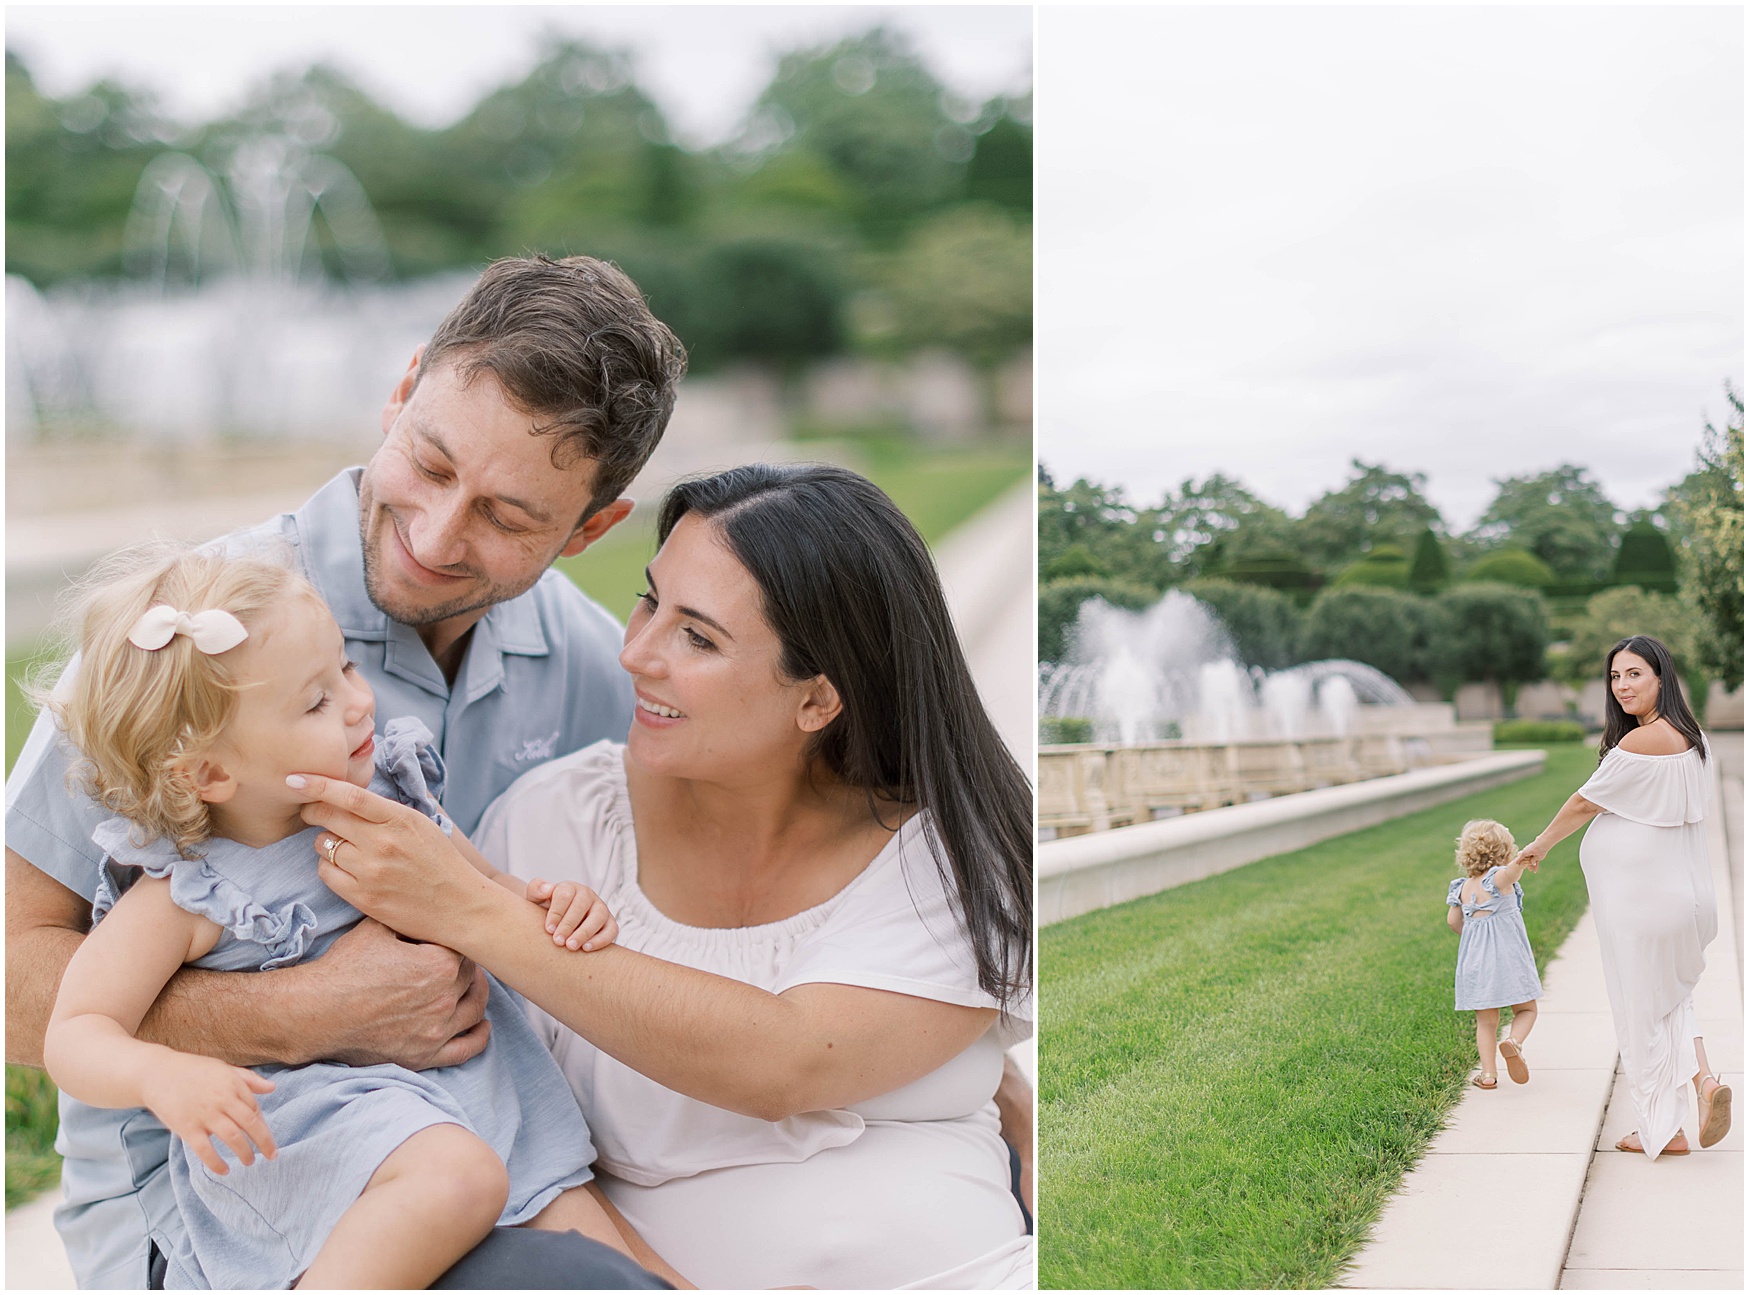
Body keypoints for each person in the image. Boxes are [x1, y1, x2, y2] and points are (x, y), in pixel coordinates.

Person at [6, 253, 686, 1289]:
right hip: (230, 1198)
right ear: (401, 390)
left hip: (487, 1124)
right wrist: (301, 1009)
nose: (434, 533)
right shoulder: (189, 647)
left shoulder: (587, 664)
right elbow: (13, 981)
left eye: (507, 516)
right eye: (430, 460)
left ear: (592, 529)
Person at [292, 463, 1037, 1289]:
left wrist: (474, 909)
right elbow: (500, 1121)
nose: (635, 651)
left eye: (698, 636)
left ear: (818, 700)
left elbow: (787, 1060)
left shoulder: (951, 854)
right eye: (650, 601)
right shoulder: (554, 820)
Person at [40, 547, 641, 1289]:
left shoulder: (390, 792)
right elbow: (74, 1032)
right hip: (312, 1132)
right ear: (212, 772)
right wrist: (162, 1075)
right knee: (457, 1177)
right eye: (317, 701)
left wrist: (553, 901)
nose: (360, 702)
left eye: (347, 670)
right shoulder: (188, 891)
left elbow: (491, 890)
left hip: (477, 1089)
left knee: (625, 1261)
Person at [1511, 634, 1733, 1158]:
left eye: (1635, 673)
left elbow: (1584, 803)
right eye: (1615, 676)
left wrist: (1538, 846)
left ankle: (1662, 1130)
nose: (1623, 685)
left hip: (1645, 900)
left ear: (1661, 677)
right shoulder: (1692, 735)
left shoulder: (1641, 743)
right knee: (1670, 999)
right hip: (1684, 895)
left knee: (1639, 1011)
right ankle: (1703, 1084)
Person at [1445, 819, 1541, 1089]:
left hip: (1476, 962)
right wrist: (1524, 859)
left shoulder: (1462, 888)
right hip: (1508, 958)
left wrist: (1476, 937)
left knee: (1486, 1022)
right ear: (1505, 853)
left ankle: (1488, 1075)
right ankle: (1514, 1042)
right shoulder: (1498, 878)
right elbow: (1511, 874)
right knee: (1526, 1009)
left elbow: (1453, 922)